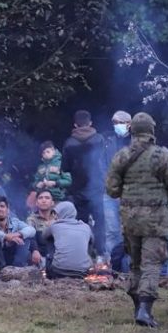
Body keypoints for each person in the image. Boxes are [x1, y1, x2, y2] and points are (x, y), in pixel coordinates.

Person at [106, 112, 168, 328]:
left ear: (132, 130)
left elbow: (112, 190)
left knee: (135, 264)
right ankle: (145, 309)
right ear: (152, 130)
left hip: (130, 219)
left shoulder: (122, 156)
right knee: (151, 263)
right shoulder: (163, 156)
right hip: (155, 219)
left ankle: (137, 307)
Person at [62, 110, 107, 259]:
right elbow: (104, 161)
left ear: (75, 124)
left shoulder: (69, 143)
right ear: (90, 123)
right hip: (96, 187)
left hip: (78, 190)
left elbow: (65, 168)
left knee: (81, 224)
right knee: (100, 222)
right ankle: (100, 254)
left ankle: (83, 254)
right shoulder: (99, 139)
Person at [103, 110, 132, 272]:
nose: (116, 126)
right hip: (109, 192)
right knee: (111, 230)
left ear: (129, 124)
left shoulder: (136, 142)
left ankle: (128, 264)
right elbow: (101, 164)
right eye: (114, 123)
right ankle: (113, 265)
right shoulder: (107, 141)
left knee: (129, 228)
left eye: (119, 122)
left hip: (129, 193)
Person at [0, 195, 37, 270]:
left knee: (25, 239)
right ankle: (1, 269)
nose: (0, 209)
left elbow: (32, 230)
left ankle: (18, 267)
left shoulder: (15, 221)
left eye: (2, 206)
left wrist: (18, 234)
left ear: (8, 209)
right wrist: (6, 237)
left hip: (12, 256)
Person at [44, 201, 94, 279]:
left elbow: (44, 236)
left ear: (61, 213)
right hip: (82, 272)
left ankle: (50, 275)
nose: (55, 216)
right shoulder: (86, 227)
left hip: (58, 271)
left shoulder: (55, 226)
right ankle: (82, 263)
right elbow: (92, 243)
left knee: (50, 239)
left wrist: (50, 225)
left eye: (56, 214)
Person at [27, 189, 57, 265]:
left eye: (47, 198)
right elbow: (30, 237)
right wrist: (34, 250)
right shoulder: (32, 219)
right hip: (40, 255)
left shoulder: (59, 218)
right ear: (36, 203)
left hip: (58, 255)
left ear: (52, 203)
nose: (44, 200)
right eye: (40, 198)